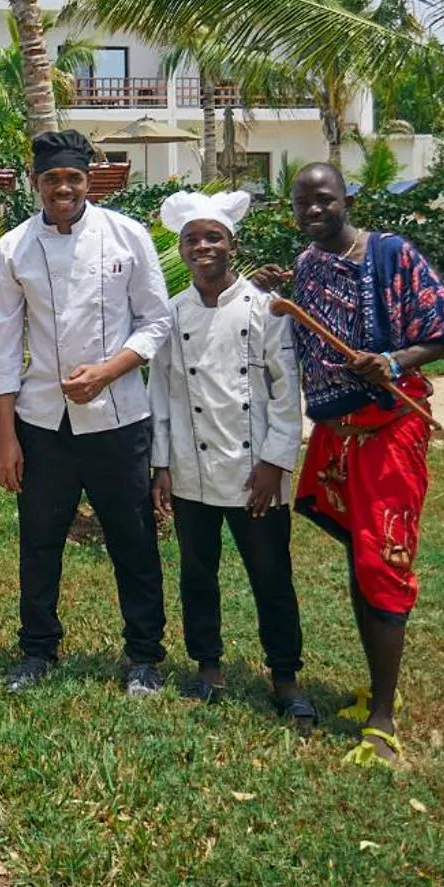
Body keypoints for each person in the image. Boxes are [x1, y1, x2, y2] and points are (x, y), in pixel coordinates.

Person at [253, 162, 444, 764]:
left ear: (347, 197)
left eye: (323, 200)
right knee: (359, 552)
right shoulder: (307, 264)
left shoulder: (391, 254)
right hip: (336, 435)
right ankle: (377, 690)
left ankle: (382, 718)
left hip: (387, 432)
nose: (313, 211)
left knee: (384, 562)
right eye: (302, 204)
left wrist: (396, 361)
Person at [0, 128, 174, 695]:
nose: (61, 188)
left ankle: (144, 654)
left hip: (119, 416)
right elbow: (1, 344)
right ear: (34, 184)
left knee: (132, 536)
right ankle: (37, 649)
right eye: (51, 180)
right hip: (43, 421)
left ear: (88, 180)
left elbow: (156, 321)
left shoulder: (126, 236)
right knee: (39, 539)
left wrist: (108, 371)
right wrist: (6, 438)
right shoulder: (13, 248)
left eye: (72, 178)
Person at [148, 190, 313, 732]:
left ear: (231, 245)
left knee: (271, 575)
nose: (203, 247)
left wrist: (275, 461)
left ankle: (286, 677)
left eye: (213, 237)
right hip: (193, 469)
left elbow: (286, 392)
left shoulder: (267, 309)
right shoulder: (171, 314)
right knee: (198, 574)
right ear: (182, 248)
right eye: (193, 240)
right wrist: (162, 465)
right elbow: (165, 395)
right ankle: (209, 667)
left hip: (254, 473)